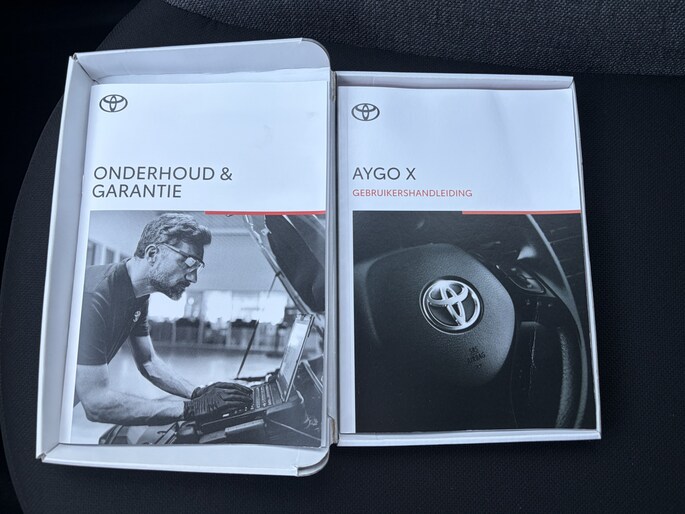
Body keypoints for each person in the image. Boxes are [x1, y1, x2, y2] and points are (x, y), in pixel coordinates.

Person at [75, 213, 252, 426]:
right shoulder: (94, 296)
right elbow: (96, 402)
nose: (193, 278)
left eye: (197, 267)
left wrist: (198, 393)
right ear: (152, 253)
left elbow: (148, 362)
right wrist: (190, 409)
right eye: (188, 262)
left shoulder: (138, 295)